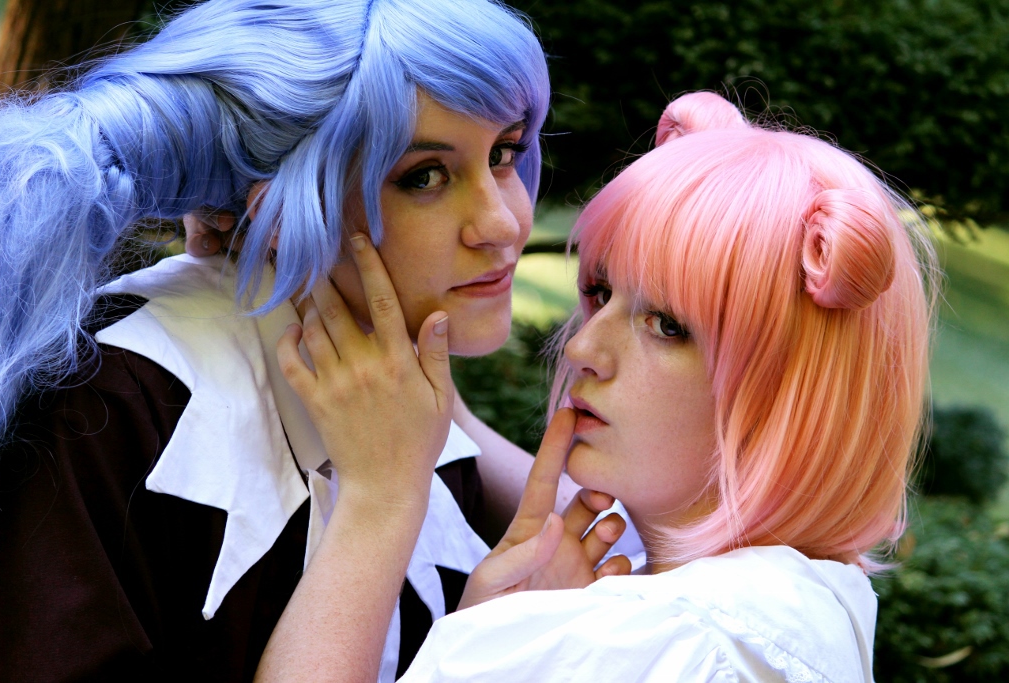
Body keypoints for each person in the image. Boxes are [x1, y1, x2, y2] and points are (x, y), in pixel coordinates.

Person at [0, 1, 635, 680]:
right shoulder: (108, 404)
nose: (503, 223)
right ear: (277, 210)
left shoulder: (396, 393)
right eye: (425, 176)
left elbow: (643, 550)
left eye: (503, 153)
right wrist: (380, 504)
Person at [285, 92, 937, 681]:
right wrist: (492, 626)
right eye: (599, 292)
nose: (582, 348)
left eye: (667, 325)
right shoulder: (811, 604)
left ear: (796, 394)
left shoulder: (660, 644)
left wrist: (379, 499)